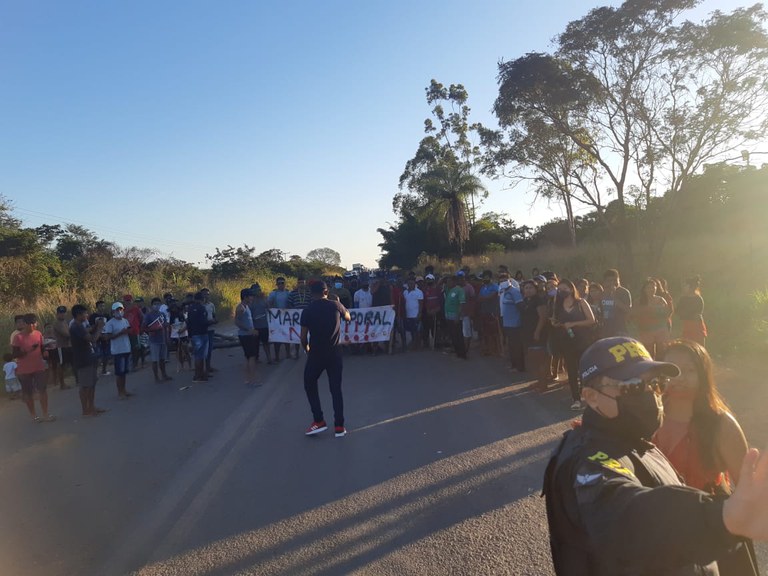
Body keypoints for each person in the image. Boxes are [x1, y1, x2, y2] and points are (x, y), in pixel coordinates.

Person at [543, 336, 764, 575]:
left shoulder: (633, 439)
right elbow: (627, 514)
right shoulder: (589, 460)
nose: (651, 395)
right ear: (591, 396)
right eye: (635, 386)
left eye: (655, 384)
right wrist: (720, 517)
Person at [654, 340, 749, 494]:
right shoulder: (646, 415)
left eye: (689, 370)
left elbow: (747, 487)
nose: (679, 377)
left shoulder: (722, 424)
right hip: (648, 513)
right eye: (672, 370)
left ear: (703, 375)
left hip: (705, 514)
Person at [300, 281, 351, 438]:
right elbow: (348, 317)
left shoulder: (307, 310)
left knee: (309, 383)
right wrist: (341, 306)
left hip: (316, 353)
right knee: (335, 389)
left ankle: (319, 420)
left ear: (312, 294)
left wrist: (307, 349)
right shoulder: (336, 305)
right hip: (334, 353)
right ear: (326, 291)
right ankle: (339, 426)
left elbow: (303, 337)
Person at [551, 279, 596, 410]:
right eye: (559, 290)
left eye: (564, 289)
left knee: (585, 370)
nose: (561, 292)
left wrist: (574, 324)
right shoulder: (558, 305)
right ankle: (576, 399)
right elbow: (555, 320)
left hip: (583, 341)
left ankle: (587, 395)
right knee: (571, 371)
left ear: (571, 289)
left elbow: (591, 320)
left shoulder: (581, 302)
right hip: (566, 341)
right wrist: (556, 324)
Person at [12, 314, 55, 422]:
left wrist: (44, 351)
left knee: (42, 389)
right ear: (25, 324)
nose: (33, 326)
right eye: (30, 324)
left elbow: (41, 346)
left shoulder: (38, 333)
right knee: (28, 393)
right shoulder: (18, 337)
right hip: (24, 369)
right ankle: (34, 415)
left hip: (38, 366)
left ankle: (46, 413)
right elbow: (15, 354)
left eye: (34, 323)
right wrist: (27, 351)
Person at [69, 304, 107, 417]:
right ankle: (86, 410)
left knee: (91, 384)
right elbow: (92, 339)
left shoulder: (79, 325)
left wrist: (95, 326)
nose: (87, 315)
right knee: (86, 386)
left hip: (88, 357)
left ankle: (91, 407)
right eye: (85, 313)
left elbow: (87, 331)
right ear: (79, 314)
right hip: (83, 359)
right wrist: (100, 328)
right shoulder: (76, 326)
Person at [632, 278, 672, 359]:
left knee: (662, 352)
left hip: (661, 330)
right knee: (648, 354)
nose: (652, 289)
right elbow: (634, 314)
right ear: (644, 289)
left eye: (654, 287)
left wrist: (652, 311)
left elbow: (667, 312)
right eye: (649, 287)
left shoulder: (661, 300)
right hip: (645, 330)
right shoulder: (639, 301)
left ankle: (662, 369)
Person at [101, 302, 133, 399]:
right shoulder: (110, 323)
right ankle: (120, 392)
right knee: (119, 373)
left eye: (121, 309)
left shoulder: (125, 321)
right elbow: (107, 337)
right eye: (117, 310)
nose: (119, 311)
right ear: (113, 311)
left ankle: (124, 389)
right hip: (117, 350)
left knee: (124, 372)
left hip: (126, 348)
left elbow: (128, 331)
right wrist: (120, 333)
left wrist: (128, 331)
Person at [141, 298, 172, 382]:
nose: (157, 305)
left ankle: (164, 375)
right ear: (152, 305)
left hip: (162, 339)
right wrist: (152, 330)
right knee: (155, 360)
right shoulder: (148, 315)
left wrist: (167, 338)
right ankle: (156, 377)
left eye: (158, 303)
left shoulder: (162, 314)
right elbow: (143, 328)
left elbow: (165, 326)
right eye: (155, 304)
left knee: (162, 359)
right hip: (154, 340)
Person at [235, 288, 260, 387]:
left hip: (248, 335)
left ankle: (248, 379)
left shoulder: (246, 306)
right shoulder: (240, 308)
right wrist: (249, 330)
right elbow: (237, 322)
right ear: (245, 297)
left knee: (247, 357)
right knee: (252, 357)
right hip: (246, 336)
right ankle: (253, 380)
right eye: (250, 296)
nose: (252, 298)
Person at [500, 274, 525, 371]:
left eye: (505, 280)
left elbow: (520, 307)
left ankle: (520, 366)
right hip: (507, 324)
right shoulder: (504, 292)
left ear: (510, 280)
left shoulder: (514, 292)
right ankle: (514, 365)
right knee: (511, 346)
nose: (503, 282)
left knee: (517, 346)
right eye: (501, 280)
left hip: (515, 324)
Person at [186, 292, 211, 383]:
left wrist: (189, 336)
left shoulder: (190, 309)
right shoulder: (202, 308)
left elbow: (188, 323)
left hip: (194, 334)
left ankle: (200, 374)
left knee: (198, 355)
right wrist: (212, 322)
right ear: (202, 299)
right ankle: (198, 375)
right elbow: (204, 322)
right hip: (202, 333)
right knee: (201, 356)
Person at [600, 269, 632, 337]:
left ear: (619, 280)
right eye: (609, 280)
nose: (612, 282)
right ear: (605, 281)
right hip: (606, 329)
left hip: (620, 328)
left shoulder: (624, 292)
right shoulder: (603, 293)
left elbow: (628, 310)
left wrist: (614, 298)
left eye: (614, 280)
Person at [442, 274, 467, 359]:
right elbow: (440, 284)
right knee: (453, 336)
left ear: (454, 282)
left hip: (456, 317)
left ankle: (462, 354)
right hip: (448, 316)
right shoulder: (449, 289)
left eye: (449, 281)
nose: (447, 283)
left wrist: (457, 316)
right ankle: (457, 353)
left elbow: (461, 304)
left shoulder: (459, 290)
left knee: (458, 335)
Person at [677, 275, 707, 346]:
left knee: (699, 346)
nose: (683, 287)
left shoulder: (698, 299)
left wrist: (684, 313)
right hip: (687, 325)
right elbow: (678, 311)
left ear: (690, 286)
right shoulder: (683, 299)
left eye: (685, 285)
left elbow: (697, 313)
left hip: (696, 325)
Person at [267, 277, 291, 361]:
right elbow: (268, 303)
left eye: (282, 283)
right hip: (276, 318)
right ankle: (277, 356)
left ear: (285, 284)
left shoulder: (289, 293)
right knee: (277, 338)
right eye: (279, 283)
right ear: (277, 285)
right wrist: (272, 311)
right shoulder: (273, 294)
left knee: (287, 337)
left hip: (286, 318)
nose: (281, 285)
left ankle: (288, 354)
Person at [477, 270, 501, 356]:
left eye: (486, 277)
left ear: (490, 277)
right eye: (483, 277)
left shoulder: (495, 286)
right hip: (484, 312)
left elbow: (492, 297)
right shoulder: (483, 287)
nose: (484, 278)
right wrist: (486, 297)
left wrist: (486, 297)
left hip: (492, 312)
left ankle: (497, 350)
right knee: (486, 332)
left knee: (494, 333)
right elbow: (479, 298)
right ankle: (488, 349)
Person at [249, 283, 274, 364]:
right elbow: (249, 314)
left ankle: (269, 358)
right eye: (257, 290)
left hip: (264, 325)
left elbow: (269, 308)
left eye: (259, 290)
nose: (258, 292)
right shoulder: (250, 301)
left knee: (266, 343)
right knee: (255, 344)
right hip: (255, 325)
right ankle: (256, 358)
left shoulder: (264, 299)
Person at [288, 277, 312, 360]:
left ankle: (309, 352)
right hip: (296, 318)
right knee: (296, 335)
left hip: (307, 317)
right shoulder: (292, 293)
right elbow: (289, 304)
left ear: (305, 284)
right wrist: (293, 312)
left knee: (308, 335)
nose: (301, 284)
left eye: (303, 282)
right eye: (300, 283)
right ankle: (297, 353)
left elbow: (311, 303)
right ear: (297, 283)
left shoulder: (309, 293)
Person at [52, 305, 73, 389]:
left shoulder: (65, 322)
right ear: (57, 314)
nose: (62, 314)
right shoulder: (57, 323)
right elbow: (66, 334)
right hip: (60, 347)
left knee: (67, 364)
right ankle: (62, 383)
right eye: (60, 313)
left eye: (63, 313)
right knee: (61, 365)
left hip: (68, 346)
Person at [88, 301, 111, 376]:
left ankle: (104, 370)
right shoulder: (93, 316)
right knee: (97, 355)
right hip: (96, 337)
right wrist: (97, 325)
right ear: (97, 307)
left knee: (106, 354)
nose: (102, 307)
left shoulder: (107, 315)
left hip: (105, 337)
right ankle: (95, 372)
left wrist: (107, 335)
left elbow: (110, 326)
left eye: (103, 306)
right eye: (101, 306)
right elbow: (90, 328)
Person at [121, 295, 144, 370]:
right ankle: (128, 365)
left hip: (135, 331)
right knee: (127, 349)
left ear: (132, 300)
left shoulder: (136, 309)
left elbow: (142, 318)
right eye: (126, 300)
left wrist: (141, 328)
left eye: (129, 300)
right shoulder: (122, 311)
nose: (128, 302)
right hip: (126, 333)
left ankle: (135, 364)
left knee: (136, 348)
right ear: (124, 301)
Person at [402, 277, 424, 350]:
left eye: (412, 283)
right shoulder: (405, 292)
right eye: (409, 283)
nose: (410, 284)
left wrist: (419, 314)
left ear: (415, 283)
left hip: (415, 315)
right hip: (408, 315)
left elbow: (421, 304)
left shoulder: (419, 292)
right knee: (411, 331)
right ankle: (414, 344)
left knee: (417, 331)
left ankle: (417, 345)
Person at [200, 288, 218, 374]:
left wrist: (215, 320)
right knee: (203, 350)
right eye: (204, 294)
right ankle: (203, 369)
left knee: (210, 349)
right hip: (203, 330)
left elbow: (214, 315)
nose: (206, 296)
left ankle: (208, 366)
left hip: (211, 329)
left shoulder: (211, 305)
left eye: (207, 294)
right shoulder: (200, 306)